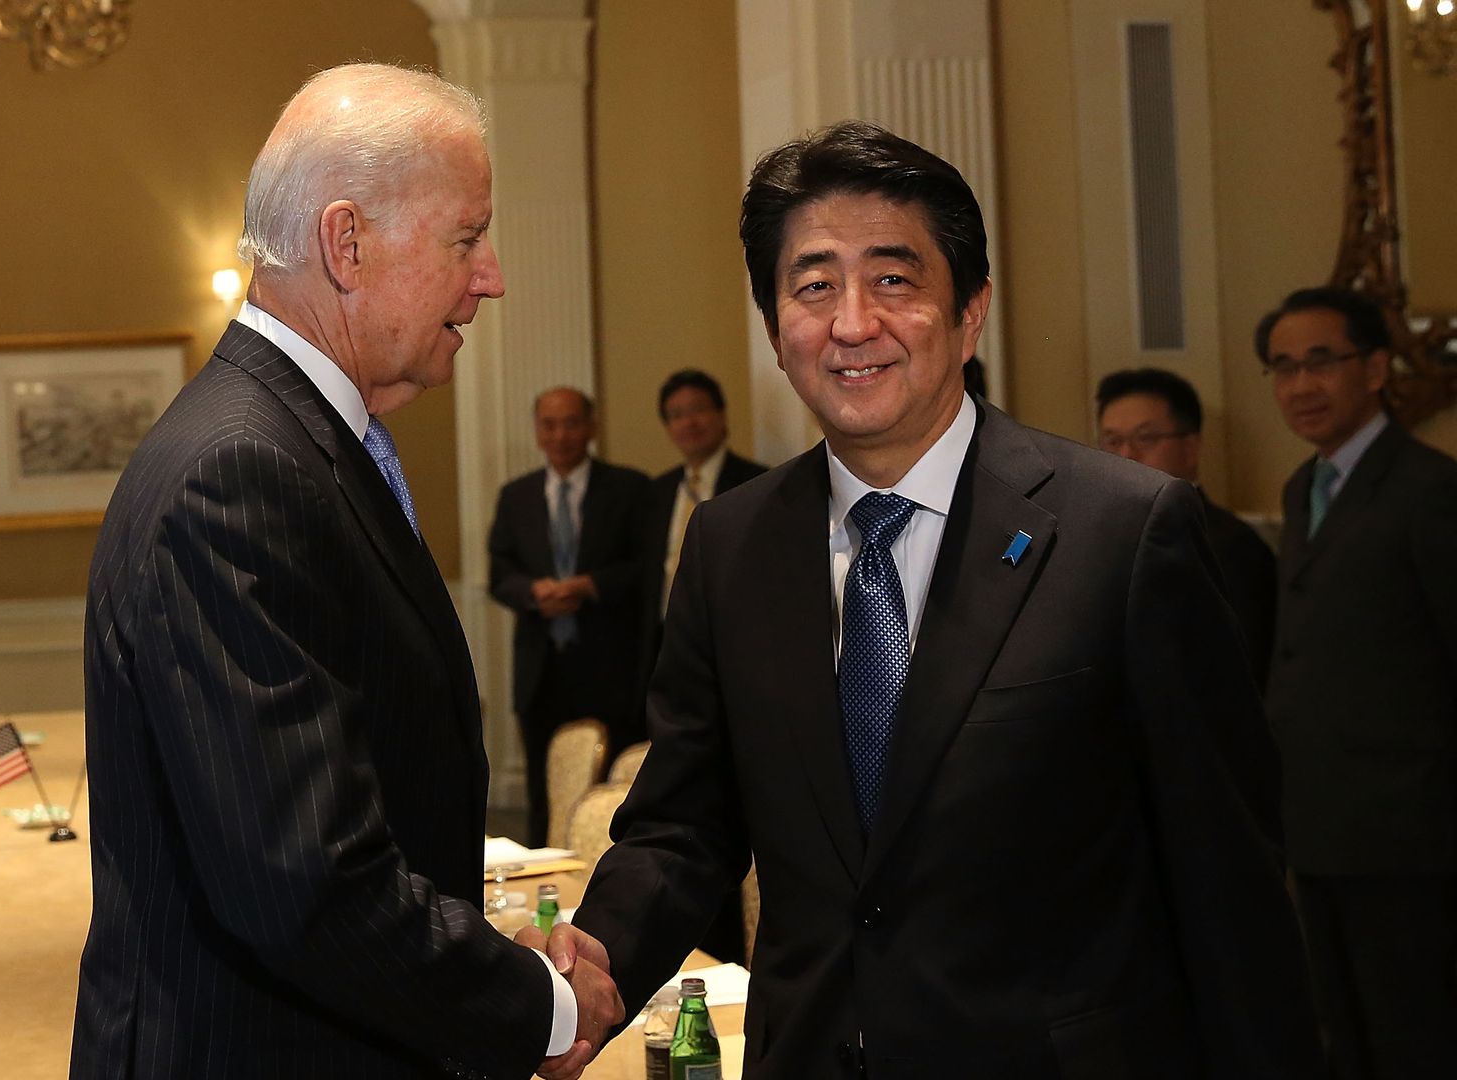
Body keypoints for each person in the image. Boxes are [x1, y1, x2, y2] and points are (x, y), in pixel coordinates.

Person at [552, 120, 1323, 1078]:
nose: (851, 323)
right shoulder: (731, 545)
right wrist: (593, 971)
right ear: (773, 327)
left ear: (970, 313)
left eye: (894, 279)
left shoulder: (1125, 531)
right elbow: (681, 822)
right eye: (813, 285)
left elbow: (1227, 878)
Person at [71, 64, 620, 1080]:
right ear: (346, 242)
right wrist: (539, 1008)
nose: (492, 276)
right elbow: (308, 884)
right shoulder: (242, 473)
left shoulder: (291, 443)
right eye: (467, 237)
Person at [1257, 286, 1457, 1080]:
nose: (1300, 386)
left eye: (1321, 362)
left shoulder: (1428, 490)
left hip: (1412, 838)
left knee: (1415, 1039)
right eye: (1281, 368)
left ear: (1375, 368)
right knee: (1341, 1038)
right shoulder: (1302, 490)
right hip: (1320, 829)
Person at [488, 387, 648, 846]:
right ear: (538, 431)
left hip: (609, 666)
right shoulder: (516, 495)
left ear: (591, 427)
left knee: (613, 792)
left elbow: (644, 570)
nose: (561, 435)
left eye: (572, 423)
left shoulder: (629, 490)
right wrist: (533, 593)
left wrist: (589, 586)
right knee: (546, 791)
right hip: (542, 667)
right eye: (549, 425)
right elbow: (500, 573)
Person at [1095, 367, 1276, 688]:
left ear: (1191, 448)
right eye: (1112, 441)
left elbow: (1243, 673)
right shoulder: (1094, 540)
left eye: (1146, 438)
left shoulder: (1229, 544)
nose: (1126, 454)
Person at [643, 369, 768, 632]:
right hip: (665, 634)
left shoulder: (757, 483)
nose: (689, 423)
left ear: (722, 414)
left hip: (733, 630)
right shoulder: (657, 491)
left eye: (698, 409)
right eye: (676, 415)